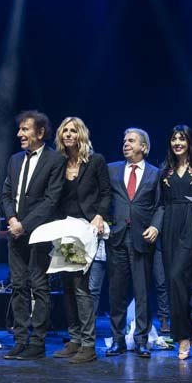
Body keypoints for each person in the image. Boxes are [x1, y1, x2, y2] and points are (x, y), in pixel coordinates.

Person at [0, 110, 64, 360]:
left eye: (25, 129)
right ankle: (20, 339)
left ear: (40, 132)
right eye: (20, 130)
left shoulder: (54, 160)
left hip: (39, 233)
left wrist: (24, 224)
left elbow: (51, 200)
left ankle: (37, 342)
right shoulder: (15, 160)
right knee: (18, 286)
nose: (19, 134)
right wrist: (12, 220)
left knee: (39, 286)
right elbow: (6, 194)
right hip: (15, 233)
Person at [52, 117, 111, 364]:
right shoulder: (58, 163)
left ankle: (88, 344)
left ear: (81, 135)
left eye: (73, 130)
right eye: (64, 130)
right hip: (66, 231)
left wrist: (99, 216)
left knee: (82, 288)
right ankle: (75, 339)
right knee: (68, 286)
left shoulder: (95, 161)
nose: (68, 134)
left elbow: (106, 193)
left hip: (88, 230)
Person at [105, 128, 163, 359]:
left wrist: (156, 226)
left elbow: (161, 205)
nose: (126, 143)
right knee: (116, 292)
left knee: (142, 292)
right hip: (117, 237)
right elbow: (103, 200)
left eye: (131, 141)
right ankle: (117, 341)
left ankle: (141, 340)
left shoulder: (155, 173)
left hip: (142, 238)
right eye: (124, 140)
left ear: (144, 147)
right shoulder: (111, 170)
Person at [160, 125, 192, 359]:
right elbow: (159, 204)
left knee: (179, 277)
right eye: (174, 138)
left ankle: (185, 337)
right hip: (170, 227)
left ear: (189, 142)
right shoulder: (165, 171)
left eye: (182, 138)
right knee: (174, 283)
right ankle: (186, 334)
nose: (177, 142)